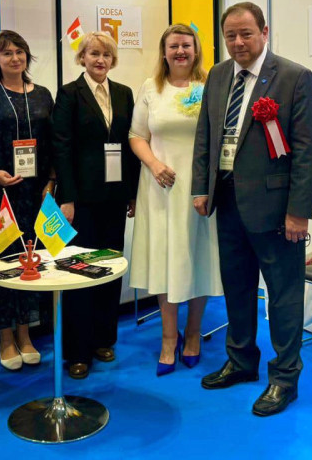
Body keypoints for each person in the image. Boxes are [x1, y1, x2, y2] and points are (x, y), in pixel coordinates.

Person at [192, 2, 312, 417]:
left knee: (283, 295)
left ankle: (284, 377)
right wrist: (201, 188)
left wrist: (298, 212)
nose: (238, 42)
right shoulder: (217, 76)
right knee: (237, 288)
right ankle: (241, 360)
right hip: (227, 201)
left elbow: (309, 151)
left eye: (246, 33)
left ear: (264, 32)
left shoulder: (294, 77)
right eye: (230, 35)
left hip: (277, 209)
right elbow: (206, 135)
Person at [128, 24, 223, 376]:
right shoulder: (150, 88)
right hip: (160, 187)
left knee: (197, 258)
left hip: (200, 190)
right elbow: (136, 135)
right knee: (164, 260)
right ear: (164, 52)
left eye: (186, 45)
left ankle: (193, 333)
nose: (180, 51)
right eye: (173, 46)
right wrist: (154, 164)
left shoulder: (210, 86)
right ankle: (169, 337)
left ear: (196, 50)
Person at [51, 31, 139, 380]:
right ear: (82, 58)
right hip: (81, 200)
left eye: (106, 55)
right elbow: (61, 146)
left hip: (115, 198)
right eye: (93, 54)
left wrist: (132, 193)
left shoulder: (124, 93)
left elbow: (131, 145)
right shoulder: (69, 93)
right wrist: (67, 198)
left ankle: (104, 338)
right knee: (80, 270)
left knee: (109, 267)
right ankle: (77, 350)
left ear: (112, 60)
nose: (100, 60)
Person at [0, 30, 54, 370]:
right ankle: (5, 338)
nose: (14, 58)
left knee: (31, 261)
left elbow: (54, 142)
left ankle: (26, 334)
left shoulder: (43, 94)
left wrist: (51, 182)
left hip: (35, 194)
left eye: (20, 51)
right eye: (7, 53)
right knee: (2, 259)